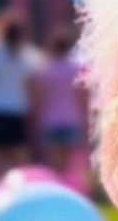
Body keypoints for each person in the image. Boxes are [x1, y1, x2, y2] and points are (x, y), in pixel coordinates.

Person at [0, 10, 36, 180]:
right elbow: (30, 87)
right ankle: (24, 184)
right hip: (16, 110)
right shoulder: (24, 58)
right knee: (18, 154)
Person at [32, 28, 89, 174]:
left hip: (49, 120)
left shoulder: (44, 70)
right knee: (69, 163)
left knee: (54, 163)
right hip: (71, 119)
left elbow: (38, 99)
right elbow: (82, 97)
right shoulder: (76, 69)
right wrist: (85, 121)